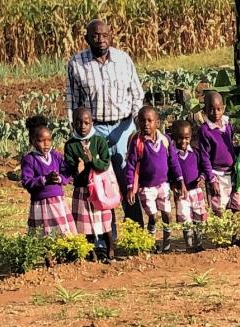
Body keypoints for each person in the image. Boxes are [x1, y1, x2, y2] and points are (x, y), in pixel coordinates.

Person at [65, 19, 145, 169]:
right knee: (99, 180)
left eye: (105, 35)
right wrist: (76, 132)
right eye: (95, 36)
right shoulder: (76, 64)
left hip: (124, 127)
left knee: (127, 176)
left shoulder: (123, 60)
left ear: (110, 36)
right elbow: (73, 101)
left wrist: (137, 123)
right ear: (86, 38)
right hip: (94, 131)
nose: (101, 40)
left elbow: (137, 94)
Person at [65, 108, 120, 261]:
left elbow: (104, 164)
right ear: (73, 123)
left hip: (99, 188)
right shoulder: (71, 145)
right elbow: (71, 167)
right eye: (78, 122)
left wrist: (91, 161)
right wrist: (78, 167)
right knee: (86, 223)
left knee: (104, 221)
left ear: (92, 123)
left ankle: (110, 249)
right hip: (82, 188)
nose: (82, 126)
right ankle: (91, 251)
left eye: (86, 123)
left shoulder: (99, 141)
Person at [124, 107, 173, 249]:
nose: (146, 124)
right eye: (142, 121)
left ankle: (167, 244)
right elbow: (131, 166)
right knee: (153, 216)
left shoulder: (164, 140)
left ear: (157, 123)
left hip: (163, 185)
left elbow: (173, 162)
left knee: (167, 214)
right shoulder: (137, 142)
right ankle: (151, 243)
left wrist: (179, 181)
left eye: (150, 121)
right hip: (146, 187)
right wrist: (130, 187)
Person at [20, 116, 77, 238]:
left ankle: (64, 252)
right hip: (41, 202)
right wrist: (45, 180)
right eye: (41, 141)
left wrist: (60, 178)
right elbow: (27, 181)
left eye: (49, 140)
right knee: (44, 232)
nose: (46, 144)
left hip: (58, 200)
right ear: (32, 141)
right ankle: (47, 254)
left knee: (63, 231)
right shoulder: (29, 159)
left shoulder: (55, 155)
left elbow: (66, 172)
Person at [166, 119, 211, 251]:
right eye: (180, 138)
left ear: (191, 137)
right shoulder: (172, 156)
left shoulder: (195, 153)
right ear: (174, 138)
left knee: (199, 217)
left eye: (187, 138)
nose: (184, 141)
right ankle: (189, 245)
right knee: (185, 218)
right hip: (181, 193)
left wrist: (202, 177)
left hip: (196, 191)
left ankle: (199, 243)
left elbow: (203, 168)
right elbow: (169, 173)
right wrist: (172, 184)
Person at [197, 91, 240, 213]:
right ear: (205, 110)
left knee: (236, 204)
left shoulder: (227, 125)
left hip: (232, 171)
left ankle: (235, 232)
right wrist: (211, 179)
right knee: (219, 208)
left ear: (223, 108)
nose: (216, 113)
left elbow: (231, 145)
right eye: (211, 109)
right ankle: (221, 232)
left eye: (219, 109)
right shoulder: (205, 130)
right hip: (216, 174)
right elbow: (204, 156)